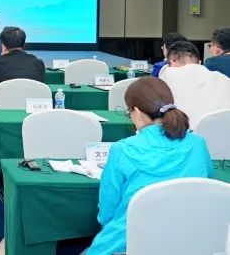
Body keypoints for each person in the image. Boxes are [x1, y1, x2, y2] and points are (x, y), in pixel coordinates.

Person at [86, 77, 212, 255]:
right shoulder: (198, 144)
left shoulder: (122, 150)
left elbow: (107, 213)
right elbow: (207, 188)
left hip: (128, 243)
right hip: (190, 243)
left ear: (136, 112)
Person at [158, 40, 230, 129]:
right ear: (199, 62)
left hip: (186, 135)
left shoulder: (169, 74)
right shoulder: (222, 78)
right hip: (223, 133)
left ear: (173, 62)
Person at [0, 26, 45, 91]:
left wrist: (1, 57)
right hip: (31, 97)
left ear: (3, 45)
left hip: (7, 97)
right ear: (24, 44)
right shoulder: (38, 63)